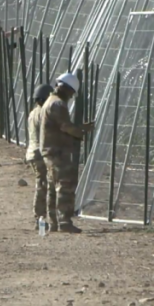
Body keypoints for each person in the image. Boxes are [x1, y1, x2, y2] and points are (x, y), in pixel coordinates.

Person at [40, 73, 95, 233]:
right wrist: (80, 133)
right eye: (71, 93)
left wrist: (80, 128)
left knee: (52, 187)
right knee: (64, 185)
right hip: (57, 151)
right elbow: (65, 127)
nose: (71, 97)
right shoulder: (58, 104)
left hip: (50, 150)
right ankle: (64, 222)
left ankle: (53, 223)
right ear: (66, 89)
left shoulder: (50, 102)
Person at [27, 84, 54, 231]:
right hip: (40, 153)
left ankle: (41, 218)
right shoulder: (44, 113)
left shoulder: (33, 112)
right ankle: (40, 218)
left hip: (33, 152)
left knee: (43, 184)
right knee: (43, 185)